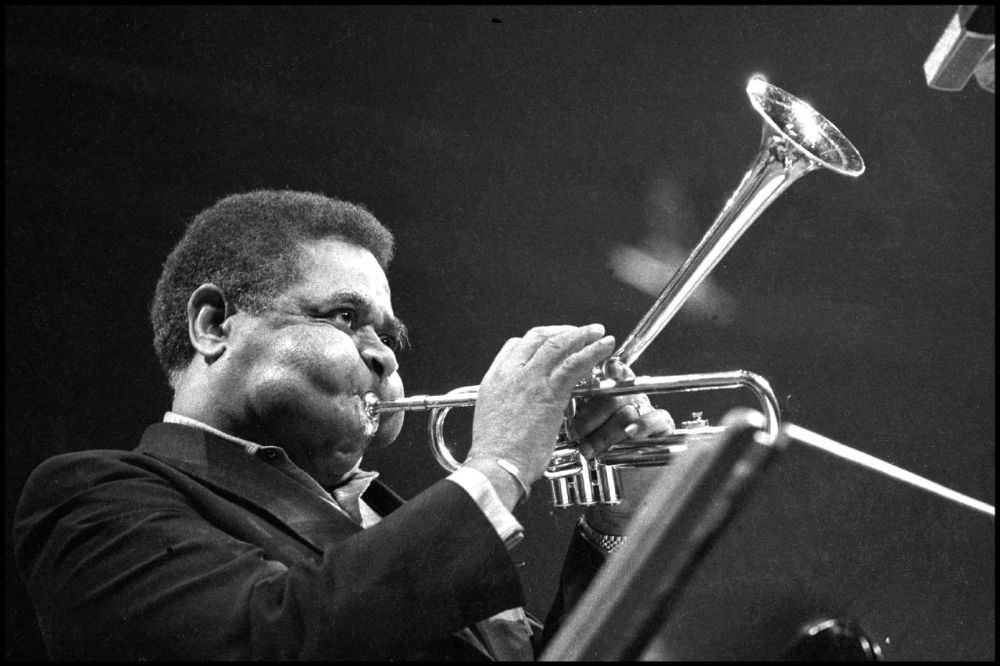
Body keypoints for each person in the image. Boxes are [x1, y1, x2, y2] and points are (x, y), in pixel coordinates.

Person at [13, 189, 674, 660]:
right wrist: (499, 466)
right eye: (345, 318)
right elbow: (273, 640)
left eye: (391, 334)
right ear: (214, 326)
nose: (384, 353)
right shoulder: (91, 501)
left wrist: (619, 529)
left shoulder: (408, 526)